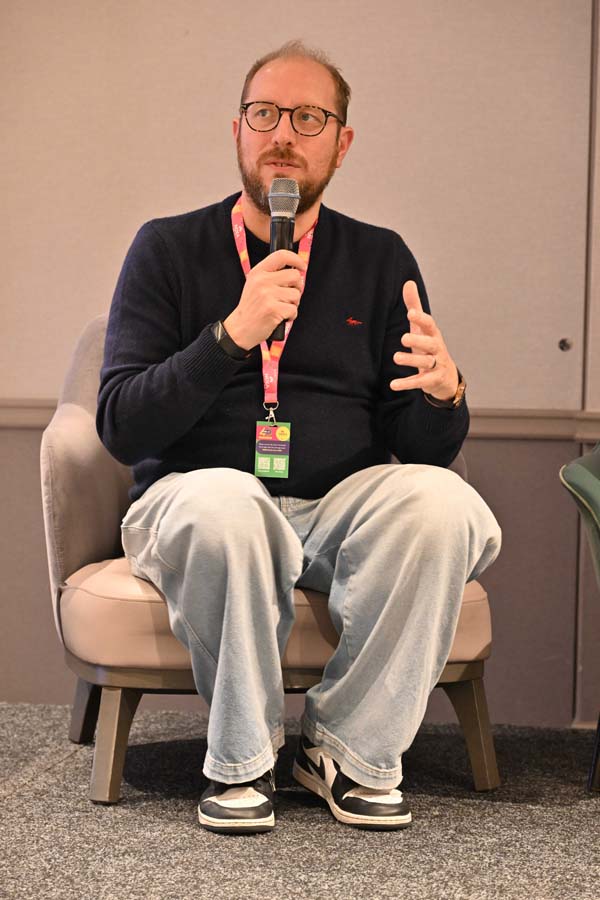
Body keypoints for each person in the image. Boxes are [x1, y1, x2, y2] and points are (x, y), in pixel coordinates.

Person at [97, 40, 501, 834]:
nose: (283, 133)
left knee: (441, 502)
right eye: (265, 114)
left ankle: (348, 750)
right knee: (230, 505)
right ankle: (242, 759)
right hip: (199, 498)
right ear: (237, 132)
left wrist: (446, 394)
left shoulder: (380, 257)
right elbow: (122, 423)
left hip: (338, 504)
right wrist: (230, 337)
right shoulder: (167, 248)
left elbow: (420, 446)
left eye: (309, 117)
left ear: (341, 144)